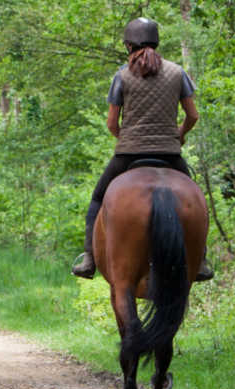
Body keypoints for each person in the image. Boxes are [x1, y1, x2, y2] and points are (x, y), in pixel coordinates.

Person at [71, 18, 214, 281]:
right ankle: (202, 259)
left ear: (129, 45)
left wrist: (126, 138)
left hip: (128, 155)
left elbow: (111, 122)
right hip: (170, 153)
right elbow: (193, 115)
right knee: (197, 202)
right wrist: (179, 135)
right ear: (156, 42)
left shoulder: (122, 75)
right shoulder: (177, 72)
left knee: (97, 199)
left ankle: (89, 259)